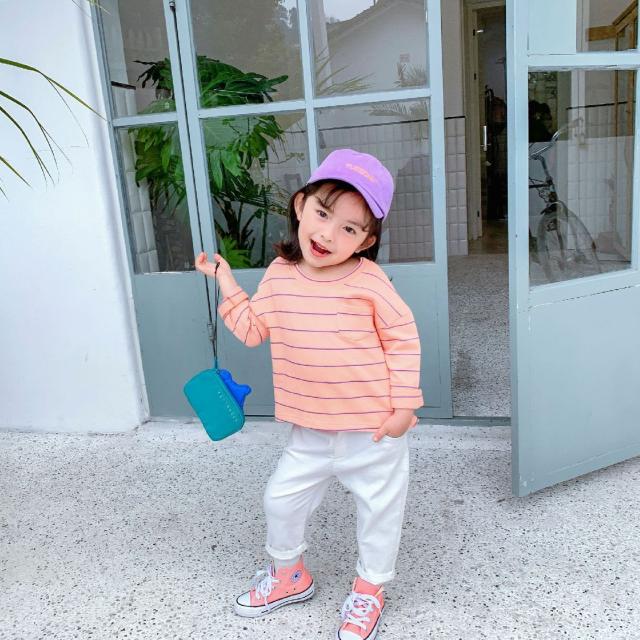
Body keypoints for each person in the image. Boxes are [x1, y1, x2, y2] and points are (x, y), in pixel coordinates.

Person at [195, 149, 424, 640]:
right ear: (300, 205)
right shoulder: (280, 273)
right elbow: (253, 330)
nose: (327, 235)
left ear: (367, 240)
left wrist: (405, 406)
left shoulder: (369, 282)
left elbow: (403, 339)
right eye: (322, 213)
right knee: (280, 500)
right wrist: (226, 282)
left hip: (372, 429)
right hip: (310, 429)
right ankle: (289, 575)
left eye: (349, 228)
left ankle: (369, 589)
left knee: (380, 511)